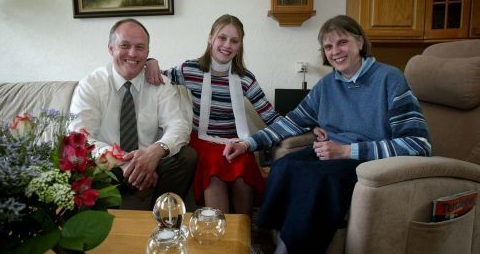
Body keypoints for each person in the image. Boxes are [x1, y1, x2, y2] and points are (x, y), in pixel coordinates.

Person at [223, 15, 431, 254]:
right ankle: (277, 242)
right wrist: (248, 144)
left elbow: (419, 144)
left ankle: (291, 248)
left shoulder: (390, 79)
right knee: (284, 166)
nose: (335, 51)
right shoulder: (327, 85)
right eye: (328, 46)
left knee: (317, 179)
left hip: (369, 162)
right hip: (330, 152)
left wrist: (346, 151)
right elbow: (291, 122)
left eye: (342, 42)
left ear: (360, 43)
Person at [145, 14, 281, 217]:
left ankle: (244, 236)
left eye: (234, 40)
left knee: (243, 165)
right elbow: (158, 76)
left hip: (235, 141)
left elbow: (270, 116)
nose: (227, 45)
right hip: (202, 140)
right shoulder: (190, 69)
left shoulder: (245, 78)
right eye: (222, 38)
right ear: (211, 38)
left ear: (240, 45)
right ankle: (219, 235)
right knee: (214, 167)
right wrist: (150, 61)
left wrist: (303, 127)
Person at [69, 18, 197, 210]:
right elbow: (79, 137)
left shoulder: (159, 83)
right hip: (109, 167)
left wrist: (154, 152)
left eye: (140, 47)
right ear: (111, 49)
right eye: (125, 45)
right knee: (79, 163)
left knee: (187, 156)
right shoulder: (91, 85)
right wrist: (122, 161)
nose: (132, 53)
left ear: (147, 53)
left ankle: (161, 219)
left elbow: (178, 125)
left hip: (151, 163)